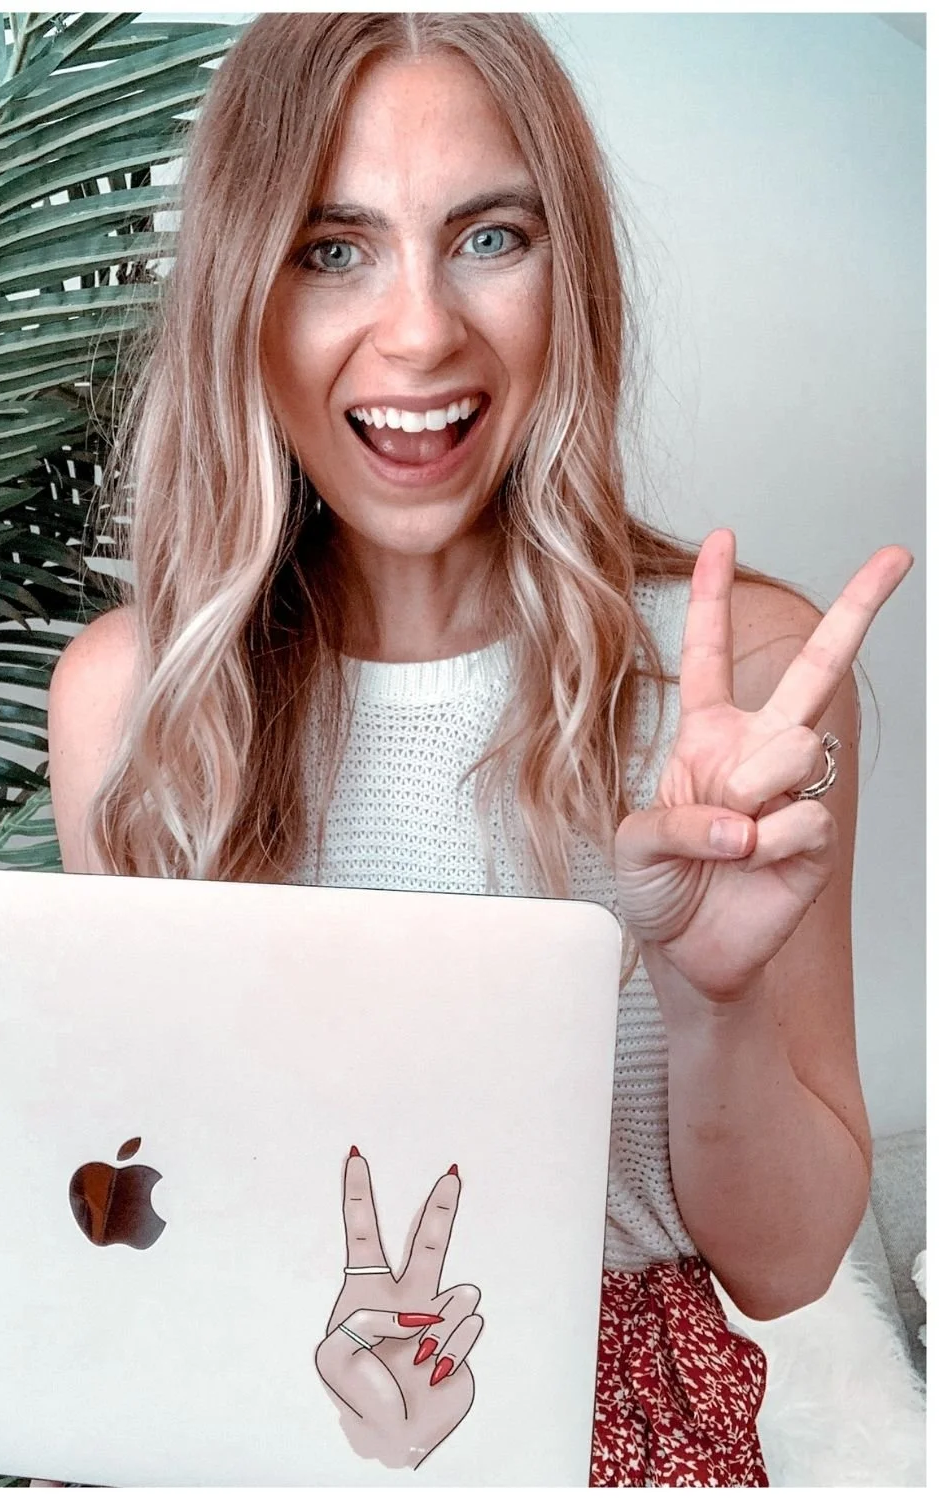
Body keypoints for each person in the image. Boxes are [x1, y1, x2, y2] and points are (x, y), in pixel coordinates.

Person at [46, 12, 911, 1486]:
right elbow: (118, 1210)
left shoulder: (737, 679)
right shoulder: (130, 702)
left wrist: (715, 997)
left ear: (570, 273)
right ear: (242, 297)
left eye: (489, 237)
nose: (423, 331)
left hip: (614, 1437)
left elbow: (781, 1269)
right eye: (333, 248)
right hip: (244, 1424)